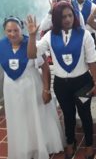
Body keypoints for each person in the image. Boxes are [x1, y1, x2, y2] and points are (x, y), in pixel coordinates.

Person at [26, 2, 96, 159]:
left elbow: (92, 60)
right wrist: (32, 36)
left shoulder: (84, 34)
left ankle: (88, 144)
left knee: (85, 114)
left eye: (70, 15)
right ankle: (70, 141)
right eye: (63, 16)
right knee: (67, 114)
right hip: (61, 84)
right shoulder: (50, 36)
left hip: (82, 82)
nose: (67, 19)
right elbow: (32, 54)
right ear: (56, 19)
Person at [0, 16, 64, 159]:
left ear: (21, 29)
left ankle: (40, 145)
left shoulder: (31, 43)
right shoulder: (2, 45)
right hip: (11, 89)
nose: (12, 34)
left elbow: (45, 68)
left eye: (15, 30)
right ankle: (24, 147)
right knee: (18, 118)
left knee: (36, 116)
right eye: (9, 31)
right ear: (4, 32)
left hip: (32, 87)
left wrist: (46, 90)